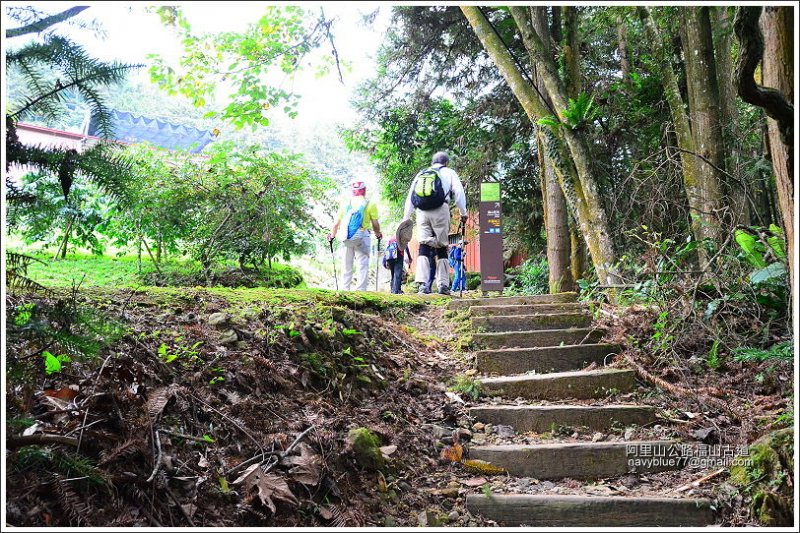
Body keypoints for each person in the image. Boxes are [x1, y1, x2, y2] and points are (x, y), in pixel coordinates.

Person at [402, 151, 467, 295]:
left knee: (424, 246)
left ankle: (423, 285)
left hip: (422, 212)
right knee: (442, 246)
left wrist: (406, 218)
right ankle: (443, 285)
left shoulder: (422, 173)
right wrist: (463, 213)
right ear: (446, 163)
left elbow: (411, 197)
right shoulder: (449, 172)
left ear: (432, 162)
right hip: (440, 211)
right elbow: (459, 193)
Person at [328, 181, 382, 291]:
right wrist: (378, 234)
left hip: (346, 236)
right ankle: (361, 290)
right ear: (364, 190)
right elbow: (375, 224)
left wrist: (332, 236)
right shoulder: (370, 204)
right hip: (363, 236)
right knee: (362, 264)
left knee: (346, 264)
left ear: (352, 191)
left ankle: (345, 289)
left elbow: (336, 224)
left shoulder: (345, 204)